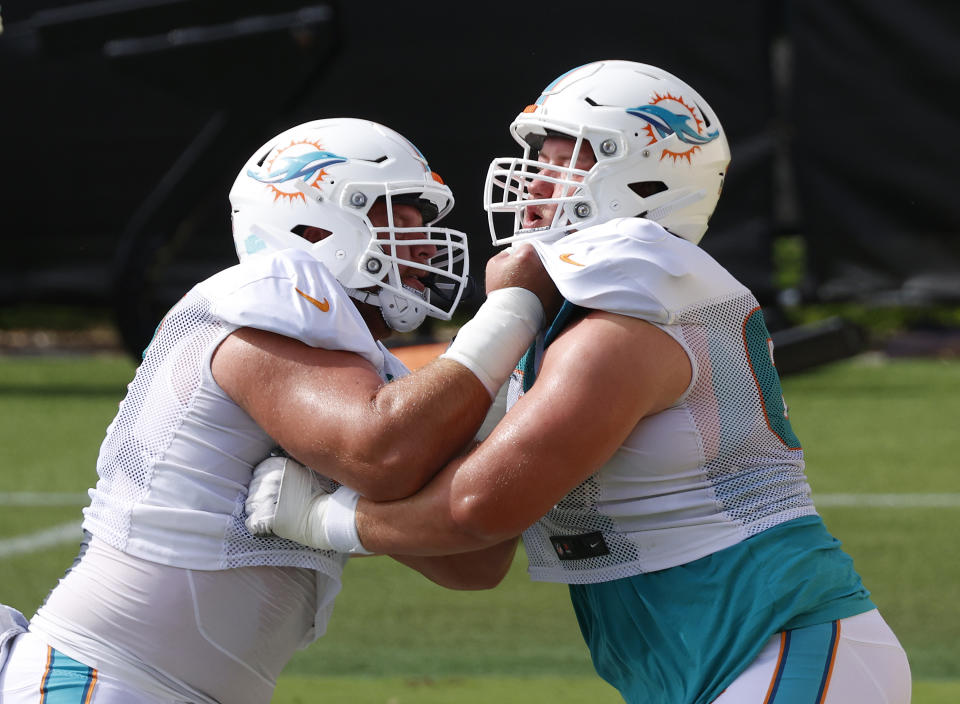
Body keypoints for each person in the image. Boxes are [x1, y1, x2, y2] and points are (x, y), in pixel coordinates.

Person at [244, 62, 913, 704]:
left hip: (780, 648)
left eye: (567, 159)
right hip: (717, 661)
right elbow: (460, 506)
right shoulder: (594, 314)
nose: (536, 182)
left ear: (646, 177)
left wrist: (328, 520)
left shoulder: (627, 322)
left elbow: (481, 507)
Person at [0, 117, 555, 703]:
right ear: (314, 224)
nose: (423, 238)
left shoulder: (369, 372)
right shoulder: (272, 291)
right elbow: (381, 451)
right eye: (398, 212)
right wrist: (511, 313)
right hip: (103, 680)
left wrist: (340, 515)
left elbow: (475, 559)